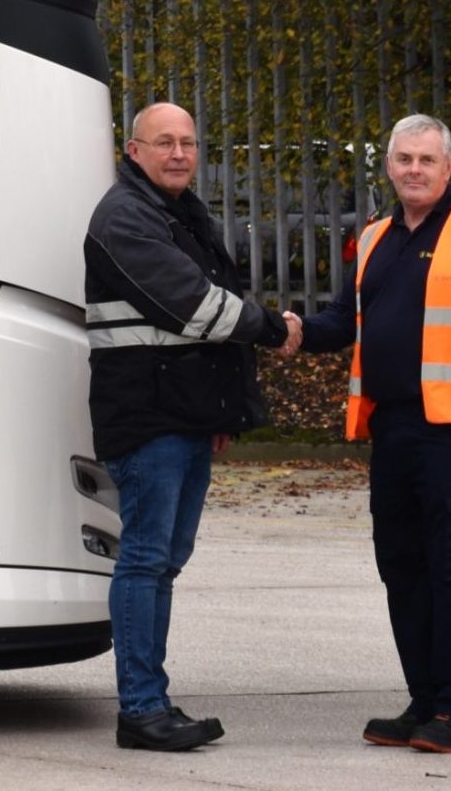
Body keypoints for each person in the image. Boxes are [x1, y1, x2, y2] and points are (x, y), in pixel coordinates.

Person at [294, 113, 451, 755]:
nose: (415, 170)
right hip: (392, 428)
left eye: (427, 160)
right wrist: (288, 330)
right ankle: (425, 701)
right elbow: (345, 321)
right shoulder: (375, 238)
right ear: (389, 166)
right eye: (404, 160)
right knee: (403, 568)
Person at [84, 101, 301, 751]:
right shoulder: (126, 216)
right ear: (133, 149)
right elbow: (195, 304)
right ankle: (141, 708)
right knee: (147, 560)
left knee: (163, 562)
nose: (179, 153)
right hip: (148, 418)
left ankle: (152, 700)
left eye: (188, 142)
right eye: (164, 143)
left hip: (181, 416)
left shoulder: (174, 210)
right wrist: (274, 328)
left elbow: (205, 310)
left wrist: (220, 410)